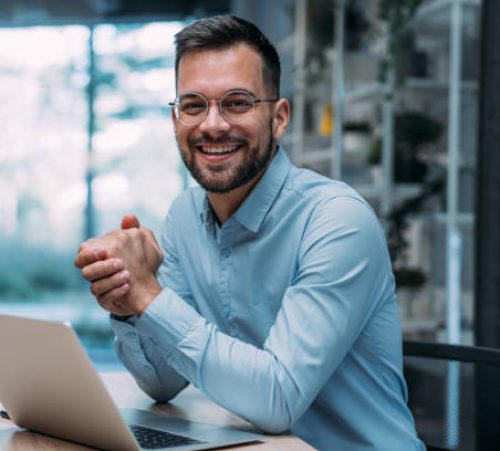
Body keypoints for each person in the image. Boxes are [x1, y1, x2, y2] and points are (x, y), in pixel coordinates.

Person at [74, 15, 424, 450]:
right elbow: (163, 382)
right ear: (175, 119)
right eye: (194, 105)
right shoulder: (184, 217)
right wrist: (128, 303)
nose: (212, 125)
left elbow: (277, 399)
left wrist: (152, 298)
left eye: (237, 102)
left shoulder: (337, 220)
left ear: (279, 118)